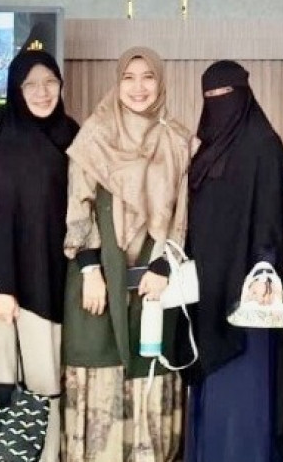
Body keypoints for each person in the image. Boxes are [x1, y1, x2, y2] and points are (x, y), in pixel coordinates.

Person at [62, 47, 192, 462]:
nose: (139, 87)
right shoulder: (94, 135)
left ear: (161, 82)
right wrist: (90, 271)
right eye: (129, 77)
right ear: (117, 83)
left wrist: (163, 264)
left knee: (148, 365)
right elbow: (78, 206)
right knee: (99, 364)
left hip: (155, 278)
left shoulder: (177, 139)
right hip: (100, 275)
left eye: (148, 77)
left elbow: (182, 212)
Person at [183, 60, 283, 462]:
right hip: (206, 289)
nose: (217, 103)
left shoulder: (263, 144)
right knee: (210, 390)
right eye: (209, 96)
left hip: (248, 295)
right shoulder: (206, 149)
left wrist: (264, 268)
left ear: (244, 96)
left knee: (244, 398)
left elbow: (271, 216)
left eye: (225, 94)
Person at [0, 50, 79, 462]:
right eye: (31, 85)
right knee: (32, 389)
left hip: (67, 281)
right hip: (22, 290)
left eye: (50, 82)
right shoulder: (8, 145)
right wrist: (2, 287)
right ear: (16, 91)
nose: (42, 92)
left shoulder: (73, 134)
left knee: (58, 384)